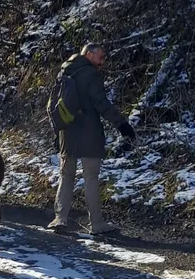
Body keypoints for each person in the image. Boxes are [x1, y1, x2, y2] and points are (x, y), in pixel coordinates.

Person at [48, 43, 136, 234]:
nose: (102, 62)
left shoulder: (64, 71)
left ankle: (60, 218)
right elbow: (101, 103)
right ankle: (96, 224)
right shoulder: (91, 74)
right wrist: (121, 124)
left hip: (67, 132)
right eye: (100, 57)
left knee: (66, 175)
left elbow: (55, 104)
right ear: (89, 54)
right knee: (91, 178)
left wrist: (57, 132)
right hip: (88, 132)